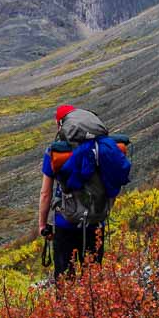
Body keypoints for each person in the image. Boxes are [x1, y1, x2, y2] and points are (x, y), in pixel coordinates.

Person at [38, 105, 106, 278]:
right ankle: (95, 305)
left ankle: (66, 304)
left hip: (65, 223)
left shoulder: (55, 152)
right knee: (93, 277)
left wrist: (42, 225)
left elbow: (45, 194)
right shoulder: (102, 149)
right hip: (95, 221)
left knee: (64, 277)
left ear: (61, 125)